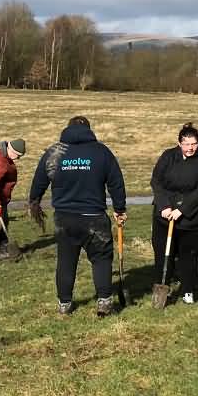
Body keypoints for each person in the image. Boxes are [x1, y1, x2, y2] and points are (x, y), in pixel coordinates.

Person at [28, 116, 127, 317]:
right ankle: (104, 302)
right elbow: (116, 182)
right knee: (101, 259)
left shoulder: (54, 153)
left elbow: (39, 181)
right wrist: (119, 209)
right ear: (89, 130)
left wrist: (34, 201)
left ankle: (64, 304)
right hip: (94, 217)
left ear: (67, 128)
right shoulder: (101, 152)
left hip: (65, 218)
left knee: (66, 261)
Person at [150, 122, 198, 305]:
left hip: (196, 218)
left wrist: (182, 209)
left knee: (188, 254)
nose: (190, 148)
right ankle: (162, 286)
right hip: (166, 215)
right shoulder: (168, 156)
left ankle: (188, 289)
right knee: (163, 252)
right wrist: (164, 206)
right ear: (179, 143)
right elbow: (157, 181)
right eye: (186, 144)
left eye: (193, 144)